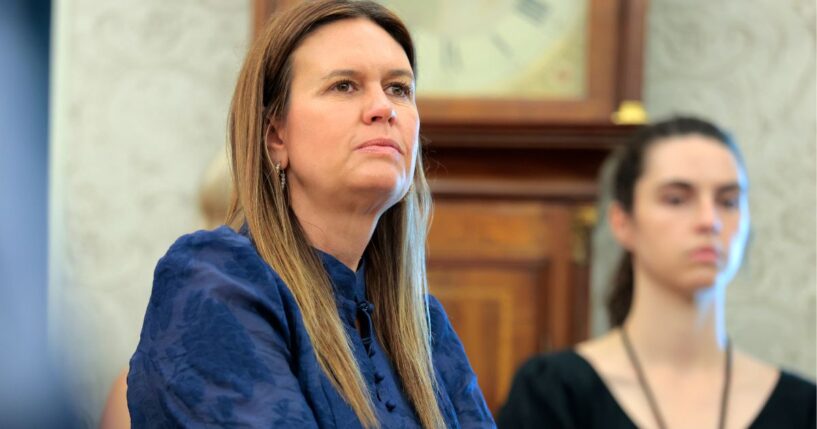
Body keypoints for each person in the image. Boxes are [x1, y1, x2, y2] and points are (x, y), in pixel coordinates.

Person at [126, 1, 494, 428]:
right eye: (344, 86)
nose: (383, 107)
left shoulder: (425, 328)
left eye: (399, 88)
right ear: (276, 135)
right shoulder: (216, 281)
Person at [497, 116, 815, 428]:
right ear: (622, 222)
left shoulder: (803, 406)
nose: (710, 220)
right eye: (676, 199)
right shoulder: (553, 391)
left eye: (728, 201)